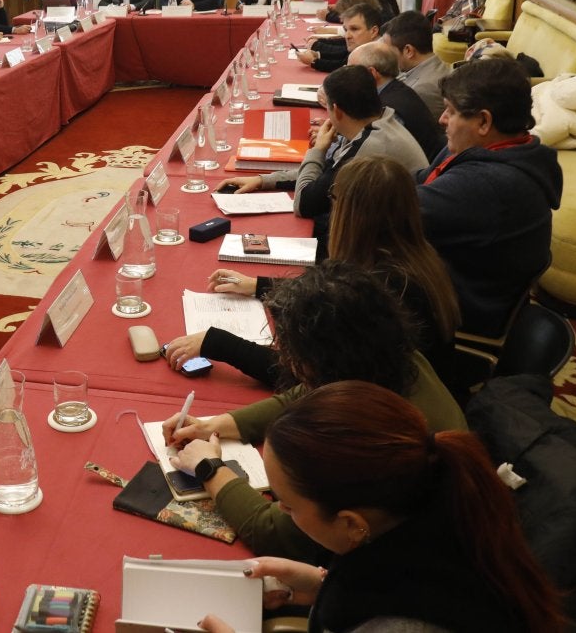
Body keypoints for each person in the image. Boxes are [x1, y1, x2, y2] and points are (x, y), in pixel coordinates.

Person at [195, 381, 563, 633]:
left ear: (352, 523)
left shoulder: (405, 624)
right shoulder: (438, 517)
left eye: (288, 506)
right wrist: (320, 583)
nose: (282, 513)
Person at [164, 262, 467, 560]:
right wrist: (216, 425)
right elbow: (307, 393)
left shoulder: (367, 440)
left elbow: (275, 532)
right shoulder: (395, 359)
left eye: (292, 355)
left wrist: (210, 469)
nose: (288, 362)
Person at [181, 157, 460, 388]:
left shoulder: (383, 287)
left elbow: (310, 378)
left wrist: (218, 343)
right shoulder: (414, 257)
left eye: (334, 198)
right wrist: (260, 285)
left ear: (352, 214)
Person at [419, 58, 563, 338]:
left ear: (483, 121)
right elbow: (419, 179)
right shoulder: (499, 151)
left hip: (457, 311)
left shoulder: (487, 184)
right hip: (456, 280)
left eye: (451, 111)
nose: (442, 119)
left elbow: (390, 210)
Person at [213, 66, 428, 250]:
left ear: (336, 110)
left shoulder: (370, 145)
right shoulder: (378, 119)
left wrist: (318, 149)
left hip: (385, 245)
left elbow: (304, 203)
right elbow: (327, 172)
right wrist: (263, 180)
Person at [349, 41, 445, 161]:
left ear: (371, 73)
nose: (347, 77)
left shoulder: (389, 110)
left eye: (351, 71)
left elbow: (372, 154)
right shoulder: (396, 89)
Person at [383, 10, 450, 120]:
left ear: (408, 51)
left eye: (389, 51)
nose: (386, 56)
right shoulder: (436, 65)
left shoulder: (420, 90)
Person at [297, 0, 383, 72]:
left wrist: (314, 61)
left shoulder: (375, 56)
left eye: (354, 29)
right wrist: (319, 55)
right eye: (346, 30)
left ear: (374, 31)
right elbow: (344, 55)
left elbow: (342, 66)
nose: (347, 36)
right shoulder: (364, 45)